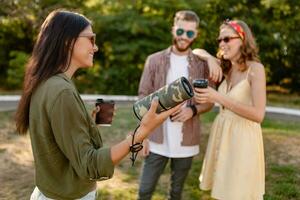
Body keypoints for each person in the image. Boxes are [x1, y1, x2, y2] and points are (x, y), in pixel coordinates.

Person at [15, 9, 182, 200]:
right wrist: (142, 132)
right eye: (91, 39)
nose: (96, 48)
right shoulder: (62, 91)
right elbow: (90, 165)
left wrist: (90, 122)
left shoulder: (47, 82)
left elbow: (60, 139)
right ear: (68, 41)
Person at [137, 10, 220, 200]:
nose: (184, 37)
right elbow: (142, 97)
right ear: (174, 30)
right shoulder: (154, 60)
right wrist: (143, 136)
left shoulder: (203, 64)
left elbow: (210, 101)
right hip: (156, 139)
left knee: (176, 193)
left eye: (190, 33)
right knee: (144, 191)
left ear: (196, 34)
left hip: (186, 142)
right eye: (181, 31)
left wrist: (192, 110)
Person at [193, 19, 266, 200]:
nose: (222, 44)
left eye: (227, 39)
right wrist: (210, 59)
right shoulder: (227, 67)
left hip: (243, 140)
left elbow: (258, 114)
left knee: (237, 192)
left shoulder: (256, 69)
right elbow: (195, 51)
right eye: (219, 40)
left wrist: (217, 96)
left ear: (243, 39)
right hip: (223, 133)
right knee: (222, 190)